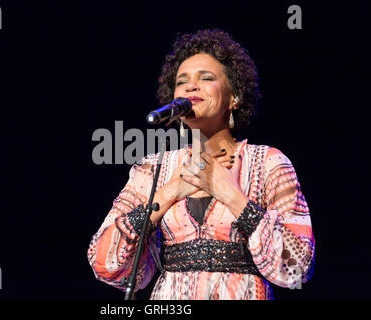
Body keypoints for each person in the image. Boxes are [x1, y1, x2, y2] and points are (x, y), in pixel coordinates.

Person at [87, 29, 315, 300]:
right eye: (182, 82)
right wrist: (171, 191)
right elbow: (102, 262)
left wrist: (228, 193)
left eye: (206, 78)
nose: (191, 87)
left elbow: (297, 268)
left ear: (235, 97)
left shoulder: (268, 164)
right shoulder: (152, 169)